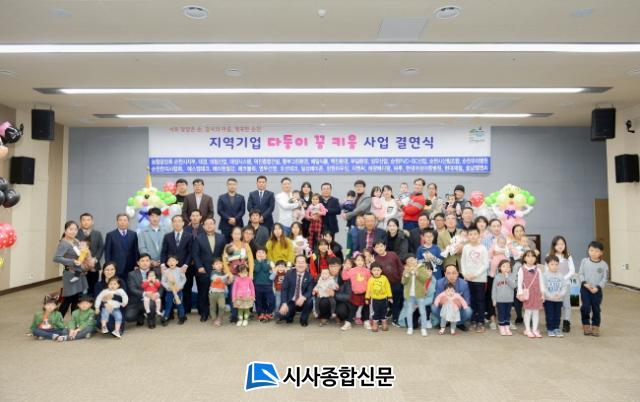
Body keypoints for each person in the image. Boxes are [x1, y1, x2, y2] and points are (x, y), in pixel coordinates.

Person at [192, 216, 226, 320]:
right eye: (206, 224)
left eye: (211, 223)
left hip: (218, 270)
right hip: (204, 269)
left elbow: (224, 254)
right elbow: (195, 254)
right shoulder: (198, 238)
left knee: (217, 291)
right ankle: (204, 313)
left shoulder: (221, 237)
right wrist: (199, 266)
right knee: (203, 292)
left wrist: (223, 267)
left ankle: (216, 313)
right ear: (203, 226)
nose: (209, 225)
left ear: (214, 225)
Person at [54, 221, 89, 317]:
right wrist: (72, 261)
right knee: (67, 299)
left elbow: (80, 255)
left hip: (79, 274)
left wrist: (84, 256)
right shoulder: (64, 243)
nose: (73, 231)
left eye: (75, 229)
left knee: (76, 300)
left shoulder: (76, 241)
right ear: (65, 230)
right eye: (70, 229)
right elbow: (56, 258)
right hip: (70, 274)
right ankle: (57, 321)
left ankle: (74, 321)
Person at [161, 215, 193, 315]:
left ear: (183, 223)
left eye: (179, 221)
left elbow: (190, 252)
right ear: (172, 223)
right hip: (170, 268)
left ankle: (183, 313)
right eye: (175, 221)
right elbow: (164, 252)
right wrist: (163, 265)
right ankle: (169, 313)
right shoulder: (167, 236)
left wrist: (186, 265)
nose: (177, 223)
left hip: (184, 268)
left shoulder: (189, 236)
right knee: (170, 290)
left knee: (184, 289)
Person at [461, 226, 490, 332]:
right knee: (471, 300)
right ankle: (473, 320)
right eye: (470, 234)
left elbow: (486, 264)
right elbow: (463, 261)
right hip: (468, 278)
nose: (473, 236)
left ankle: (480, 322)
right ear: (468, 236)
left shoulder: (483, 248)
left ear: (479, 235)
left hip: (480, 279)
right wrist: (464, 274)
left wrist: (476, 274)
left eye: (475, 234)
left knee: (480, 301)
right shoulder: (466, 247)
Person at [223, 226, 255, 323]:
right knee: (233, 294)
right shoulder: (227, 246)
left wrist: (250, 274)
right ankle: (234, 315)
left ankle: (245, 314)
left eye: (238, 234)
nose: (237, 235)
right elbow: (224, 262)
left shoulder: (246, 245)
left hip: (244, 275)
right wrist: (229, 274)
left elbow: (251, 260)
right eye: (235, 233)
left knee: (245, 294)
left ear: (241, 235)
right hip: (233, 275)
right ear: (232, 235)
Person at [547, 235, 576, 333]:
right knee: (554, 305)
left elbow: (572, 271)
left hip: (565, 284)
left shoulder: (568, 256)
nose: (560, 246)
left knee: (566, 304)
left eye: (562, 244)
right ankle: (554, 323)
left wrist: (562, 280)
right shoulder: (549, 256)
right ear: (554, 245)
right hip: (553, 285)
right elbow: (547, 271)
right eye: (558, 244)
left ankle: (566, 322)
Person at [579, 241, 608, 337]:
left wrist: (598, 287)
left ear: (601, 253)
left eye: (596, 251)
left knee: (596, 308)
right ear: (588, 250)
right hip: (585, 289)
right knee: (585, 307)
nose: (593, 253)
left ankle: (595, 326)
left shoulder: (604, 264)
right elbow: (580, 274)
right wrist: (585, 284)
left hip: (597, 290)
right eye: (591, 250)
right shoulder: (584, 261)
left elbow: (605, 278)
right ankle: (586, 324)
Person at [126, 254, 162, 327]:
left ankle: (151, 319)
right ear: (138, 263)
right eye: (142, 261)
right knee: (129, 317)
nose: (145, 263)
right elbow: (132, 289)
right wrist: (145, 294)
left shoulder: (156, 272)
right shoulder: (132, 274)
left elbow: (161, 287)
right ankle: (141, 315)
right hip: (137, 300)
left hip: (152, 298)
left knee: (151, 303)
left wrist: (157, 294)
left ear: (150, 262)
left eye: (147, 260)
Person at [432, 265, 473, 330]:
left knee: (468, 310)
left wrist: (458, 303)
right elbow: (436, 299)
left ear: (458, 273)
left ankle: (459, 323)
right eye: (449, 273)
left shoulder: (464, 284)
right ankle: (446, 322)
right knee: (434, 307)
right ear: (445, 274)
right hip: (445, 308)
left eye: (454, 273)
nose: (451, 276)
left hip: (458, 309)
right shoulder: (439, 283)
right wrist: (443, 302)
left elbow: (467, 301)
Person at [373, 241, 404, 326]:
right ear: (374, 249)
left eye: (381, 246)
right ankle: (380, 319)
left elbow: (400, 267)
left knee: (396, 302)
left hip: (396, 283)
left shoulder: (393, 254)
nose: (380, 248)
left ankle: (395, 319)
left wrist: (402, 279)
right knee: (382, 303)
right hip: (383, 285)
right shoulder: (375, 259)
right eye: (377, 247)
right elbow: (375, 272)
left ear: (385, 246)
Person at [278, 255, 314, 326]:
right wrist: (284, 303)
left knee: (310, 302)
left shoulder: (309, 276)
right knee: (282, 315)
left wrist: (303, 297)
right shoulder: (289, 274)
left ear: (306, 264)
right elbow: (284, 289)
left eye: (303, 262)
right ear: (295, 264)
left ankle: (303, 319)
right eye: (298, 262)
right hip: (291, 301)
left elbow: (310, 291)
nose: (300, 265)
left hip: (302, 301)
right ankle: (290, 316)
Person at [517, 250, 545, 338]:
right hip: (527, 294)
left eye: (533, 256)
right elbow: (519, 282)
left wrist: (542, 293)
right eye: (528, 256)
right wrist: (520, 293)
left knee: (536, 312)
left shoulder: (538, 270)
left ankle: (535, 329)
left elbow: (541, 282)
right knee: (528, 312)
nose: (531, 258)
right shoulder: (521, 269)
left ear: (535, 258)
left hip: (537, 294)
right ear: (524, 258)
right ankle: (528, 330)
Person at [401, 256, 431, 336]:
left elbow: (425, 279)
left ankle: (423, 328)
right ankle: (410, 328)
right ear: (407, 264)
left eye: (412, 260)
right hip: (409, 295)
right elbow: (403, 282)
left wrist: (417, 273)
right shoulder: (406, 270)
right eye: (408, 261)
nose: (411, 262)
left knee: (422, 312)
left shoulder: (422, 268)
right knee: (409, 312)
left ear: (416, 260)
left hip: (419, 294)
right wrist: (407, 274)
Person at [104, 213, 140, 280]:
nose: (122, 222)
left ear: (128, 222)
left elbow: (135, 251)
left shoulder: (133, 234)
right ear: (117, 222)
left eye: (125, 220)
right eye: (120, 220)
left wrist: (136, 265)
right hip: (116, 267)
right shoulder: (110, 235)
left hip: (130, 267)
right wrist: (109, 267)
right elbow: (107, 252)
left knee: (130, 285)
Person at [93, 262, 126, 333]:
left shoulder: (121, 282)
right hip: (104, 308)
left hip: (118, 308)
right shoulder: (98, 284)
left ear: (115, 270)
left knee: (114, 327)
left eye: (112, 269)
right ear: (103, 271)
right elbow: (97, 299)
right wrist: (105, 304)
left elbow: (123, 298)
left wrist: (113, 296)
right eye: (107, 269)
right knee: (108, 325)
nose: (109, 272)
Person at [76, 212, 104, 295]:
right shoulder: (75, 233)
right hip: (80, 266)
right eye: (84, 220)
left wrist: (95, 259)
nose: (86, 222)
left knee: (93, 288)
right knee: (80, 289)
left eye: (88, 220)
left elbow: (101, 248)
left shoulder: (97, 233)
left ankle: (92, 301)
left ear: (92, 222)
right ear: (80, 222)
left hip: (94, 265)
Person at [543, 255, 569, 337]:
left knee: (557, 315)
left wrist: (560, 294)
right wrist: (550, 295)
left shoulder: (561, 275)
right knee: (550, 315)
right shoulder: (545, 275)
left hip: (558, 300)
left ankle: (556, 328)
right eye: (552, 264)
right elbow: (544, 288)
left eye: (556, 264)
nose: (554, 266)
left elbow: (564, 287)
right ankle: (550, 329)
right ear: (547, 265)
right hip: (548, 300)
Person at [487, 235, 510, 329]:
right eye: (500, 242)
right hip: (493, 275)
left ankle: (505, 319)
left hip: (505, 276)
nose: (502, 244)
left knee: (505, 296)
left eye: (503, 242)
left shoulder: (506, 248)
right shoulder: (493, 247)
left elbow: (509, 256)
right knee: (492, 296)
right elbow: (488, 256)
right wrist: (493, 257)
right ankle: (492, 318)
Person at [365, 262, 393, 332]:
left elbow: (388, 287)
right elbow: (368, 290)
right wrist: (367, 298)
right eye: (374, 270)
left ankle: (384, 322)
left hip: (384, 299)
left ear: (381, 271)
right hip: (374, 299)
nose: (376, 272)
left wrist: (390, 297)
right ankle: (375, 323)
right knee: (375, 312)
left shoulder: (384, 278)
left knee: (384, 311)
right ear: (371, 271)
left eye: (378, 270)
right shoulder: (371, 279)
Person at [491, 259, 516, 336]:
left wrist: (507, 277)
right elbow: (494, 289)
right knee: (501, 314)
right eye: (504, 266)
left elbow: (514, 286)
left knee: (507, 314)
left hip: (509, 299)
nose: (506, 268)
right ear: (500, 268)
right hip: (500, 300)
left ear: (510, 268)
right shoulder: (497, 277)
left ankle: (507, 327)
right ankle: (501, 327)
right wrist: (494, 299)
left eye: (508, 267)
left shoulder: (512, 276)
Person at [161, 255, 187, 326]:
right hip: (169, 292)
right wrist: (168, 287)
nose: (171, 262)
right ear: (167, 263)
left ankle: (182, 317)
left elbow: (184, 279)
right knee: (168, 305)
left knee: (179, 304)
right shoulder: (166, 271)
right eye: (169, 261)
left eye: (173, 261)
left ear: (177, 262)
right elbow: (163, 281)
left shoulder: (180, 270)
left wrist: (180, 286)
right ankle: (166, 317)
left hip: (178, 291)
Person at [217, 177, 246, 242]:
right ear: (227, 185)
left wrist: (235, 219)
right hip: (225, 224)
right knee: (225, 243)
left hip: (238, 224)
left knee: (238, 243)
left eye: (233, 184)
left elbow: (242, 211)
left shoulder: (241, 197)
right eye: (230, 184)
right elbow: (220, 210)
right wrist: (228, 219)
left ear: (236, 185)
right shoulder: (221, 197)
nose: (232, 186)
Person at [253, 247, 275, 322]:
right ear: (256, 254)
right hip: (257, 285)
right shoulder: (254, 262)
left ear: (266, 254)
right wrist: (259, 262)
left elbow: (265, 269)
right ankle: (261, 314)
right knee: (258, 301)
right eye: (258, 252)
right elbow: (256, 269)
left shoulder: (269, 262)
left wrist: (262, 261)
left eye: (262, 252)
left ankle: (269, 312)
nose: (260, 254)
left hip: (268, 285)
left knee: (271, 300)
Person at [209, 259, 229, 326]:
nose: (219, 265)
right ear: (213, 266)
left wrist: (230, 278)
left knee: (222, 306)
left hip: (221, 293)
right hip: (212, 293)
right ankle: (214, 319)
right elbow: (216, 279)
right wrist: (226, 276)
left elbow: (226, 282)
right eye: (216, 264)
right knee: (213, 307)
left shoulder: (224, 273)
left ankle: (219, 319)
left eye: (220, 263)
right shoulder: (213, 272)